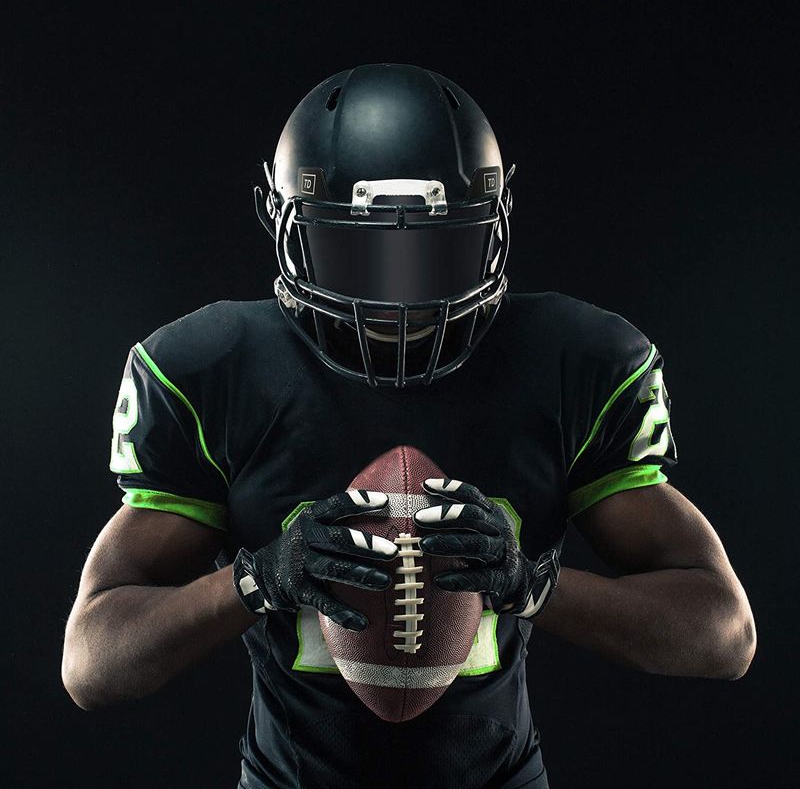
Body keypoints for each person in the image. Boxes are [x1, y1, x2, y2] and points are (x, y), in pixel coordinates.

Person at [61, 64, 756, 789]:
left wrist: (534, 586)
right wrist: (257, 581)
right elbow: (92, 662)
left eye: (434, 254)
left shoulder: (564, 362)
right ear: (282, 223)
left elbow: (723, 634)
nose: (399, 302)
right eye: (362, 256)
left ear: (493, 227)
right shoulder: (216, 373)